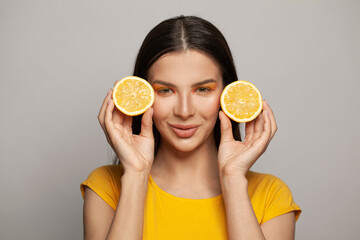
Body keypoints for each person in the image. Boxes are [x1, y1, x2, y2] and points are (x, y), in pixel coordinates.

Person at [80, 15, 301, 240]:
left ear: (227, 94)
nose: (184, 111)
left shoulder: (271, 195)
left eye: (203, 89)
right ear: (143, 94)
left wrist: (232, 178)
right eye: (165, 90)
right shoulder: (106, 187)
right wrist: (136, 174)